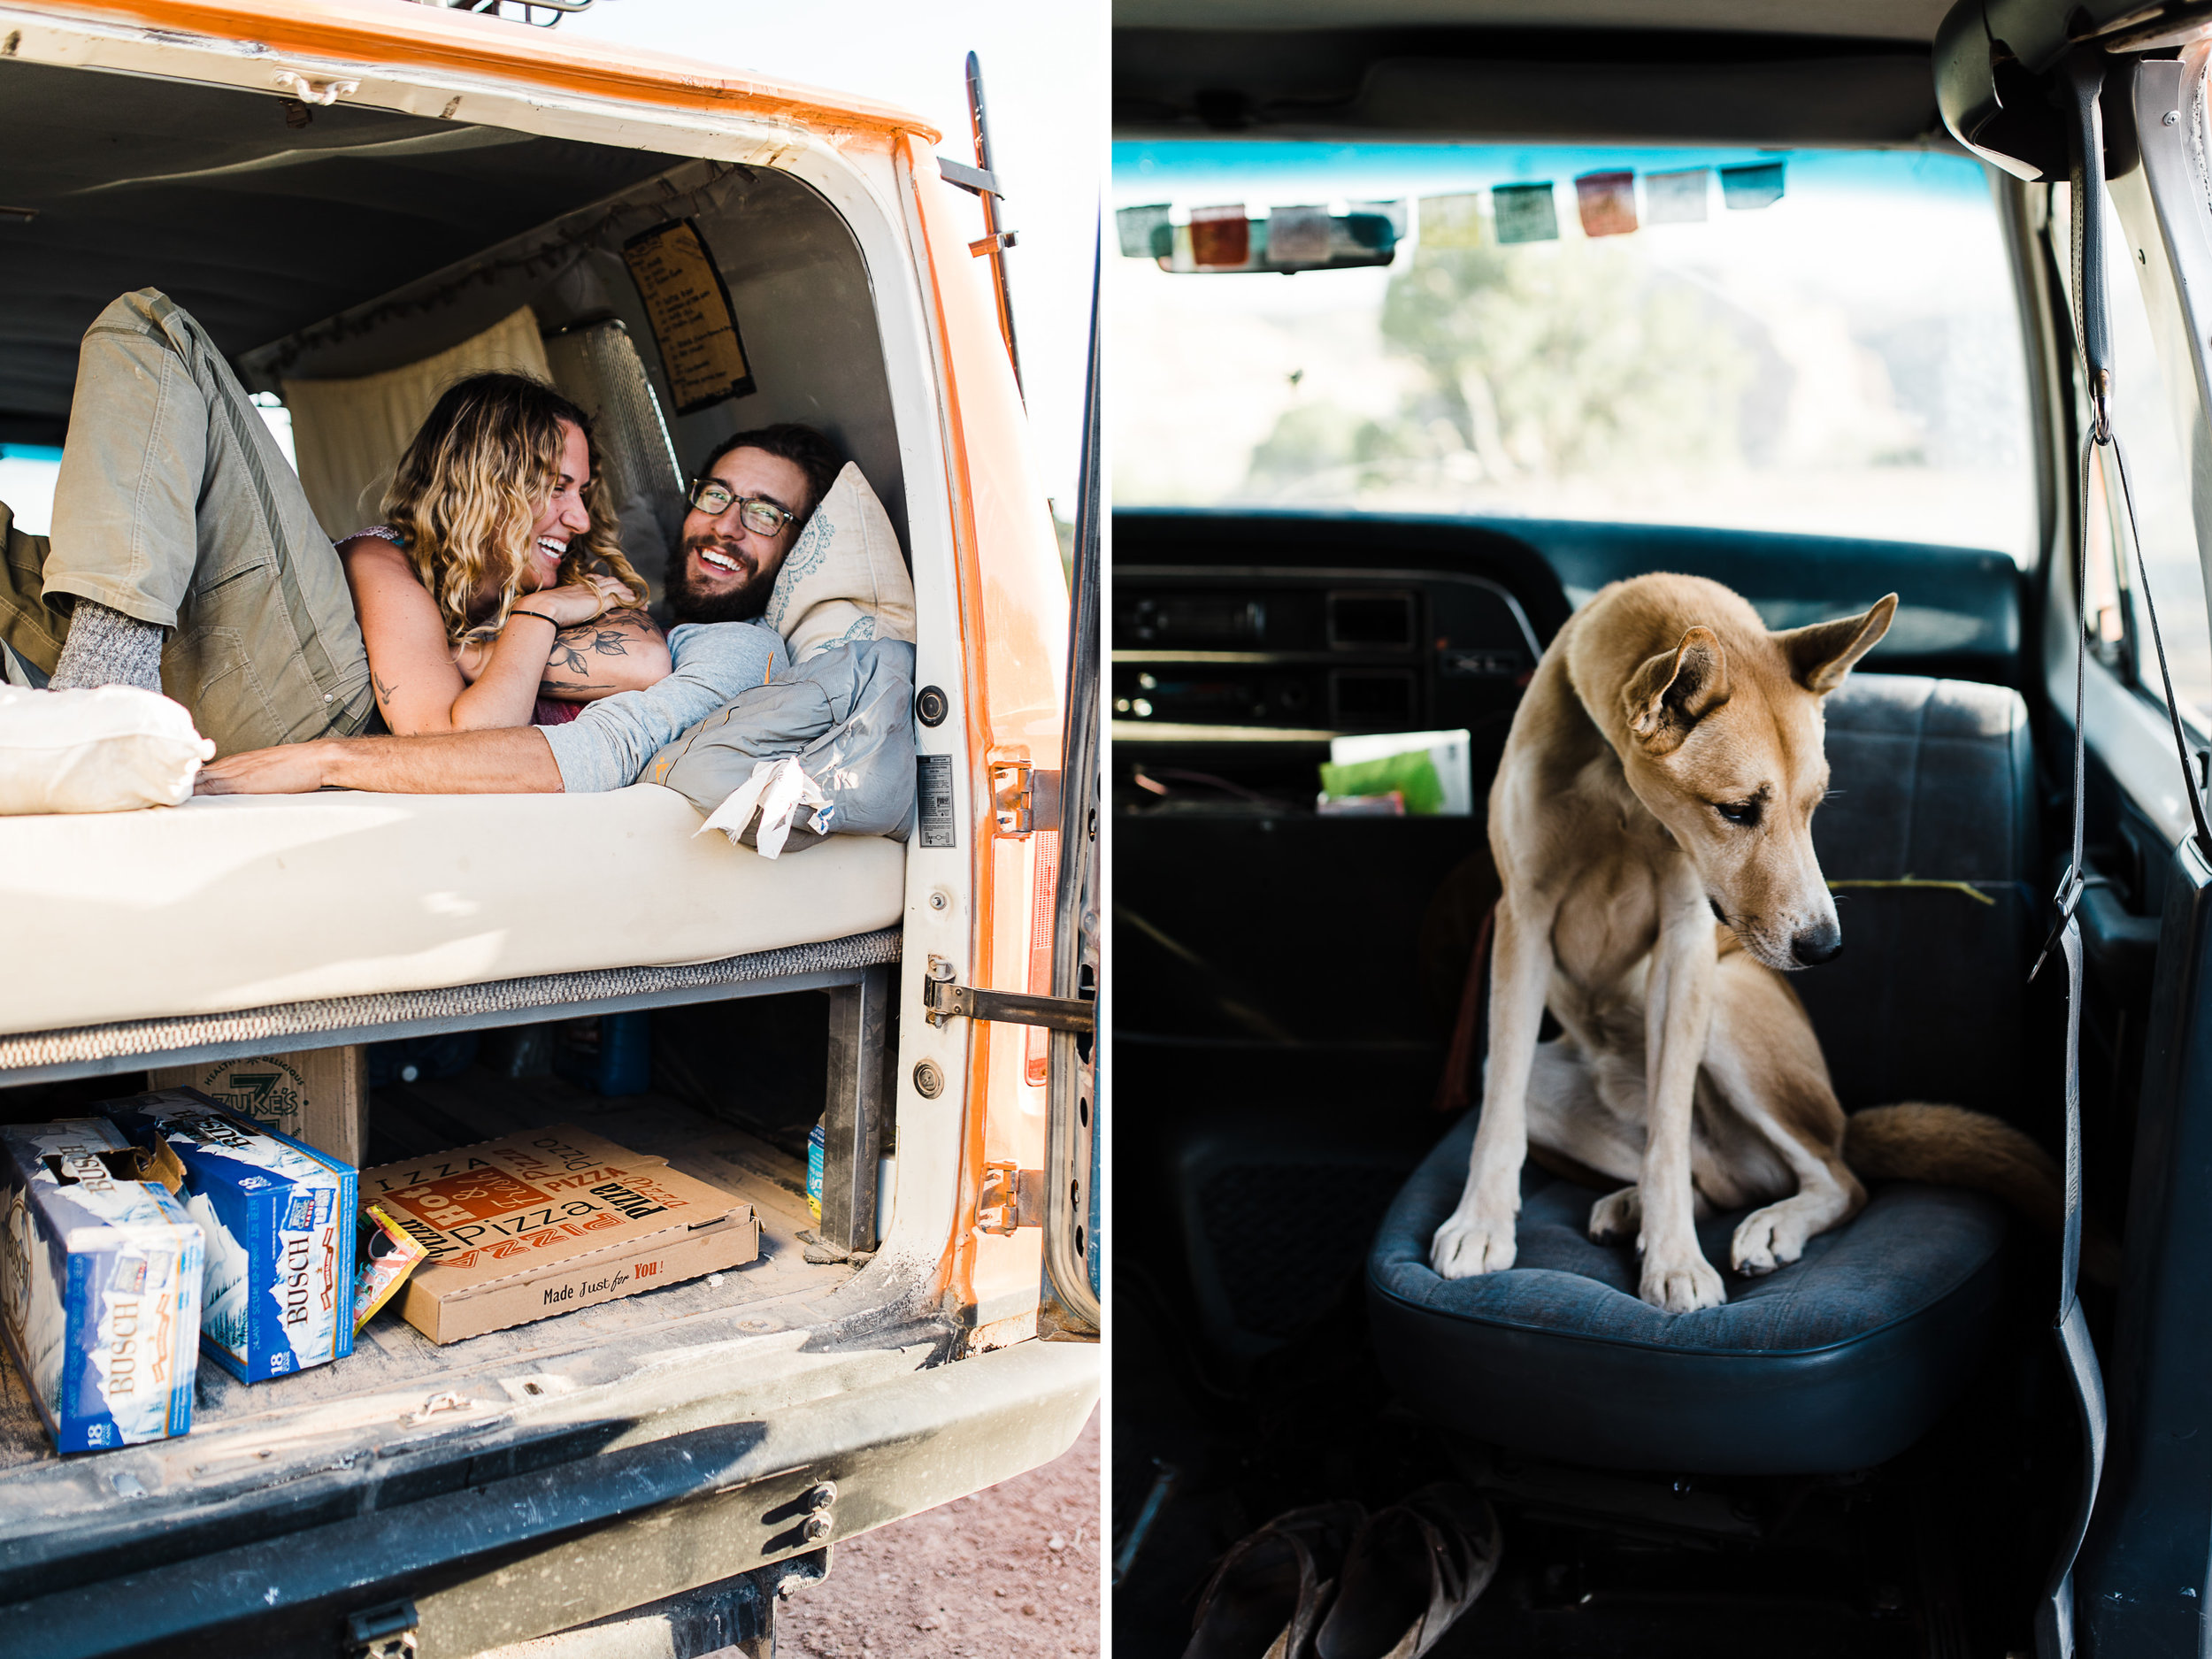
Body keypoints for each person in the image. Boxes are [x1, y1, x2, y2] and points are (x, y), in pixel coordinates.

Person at [0, 288, 663, 755]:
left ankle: (100, 684)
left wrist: (510, 631)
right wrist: (514, 635)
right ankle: (98, 672)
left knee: (149, 325)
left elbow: (644, 662)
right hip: (209, 670)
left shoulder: (566, 579)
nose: (578, 516)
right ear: (488, 485)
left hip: (320, 707)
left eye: (582, 491)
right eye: (555, 488)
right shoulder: (390, 562)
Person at [195, 421, 846, 798]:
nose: (726, 527)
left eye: (765, 513)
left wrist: (325, 761)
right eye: (716, 497)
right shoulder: (624, 597)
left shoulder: (739, 648)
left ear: (799, 542)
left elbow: (596, 753)